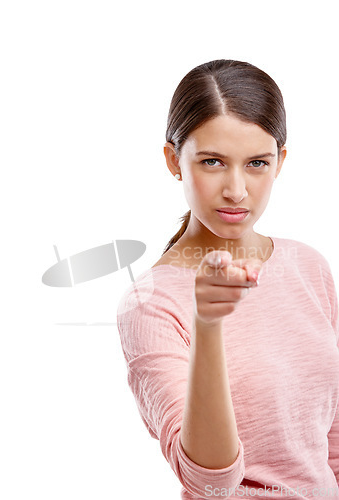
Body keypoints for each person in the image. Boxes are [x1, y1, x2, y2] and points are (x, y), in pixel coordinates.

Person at [116, 59, 339, 499]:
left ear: (280, 162)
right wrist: (208, 323)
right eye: (213, 161)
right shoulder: (150, 303)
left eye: (257, 162)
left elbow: (333, 444)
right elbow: (209, 481)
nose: (237, 189)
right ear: (173, 160)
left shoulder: (308, 266)